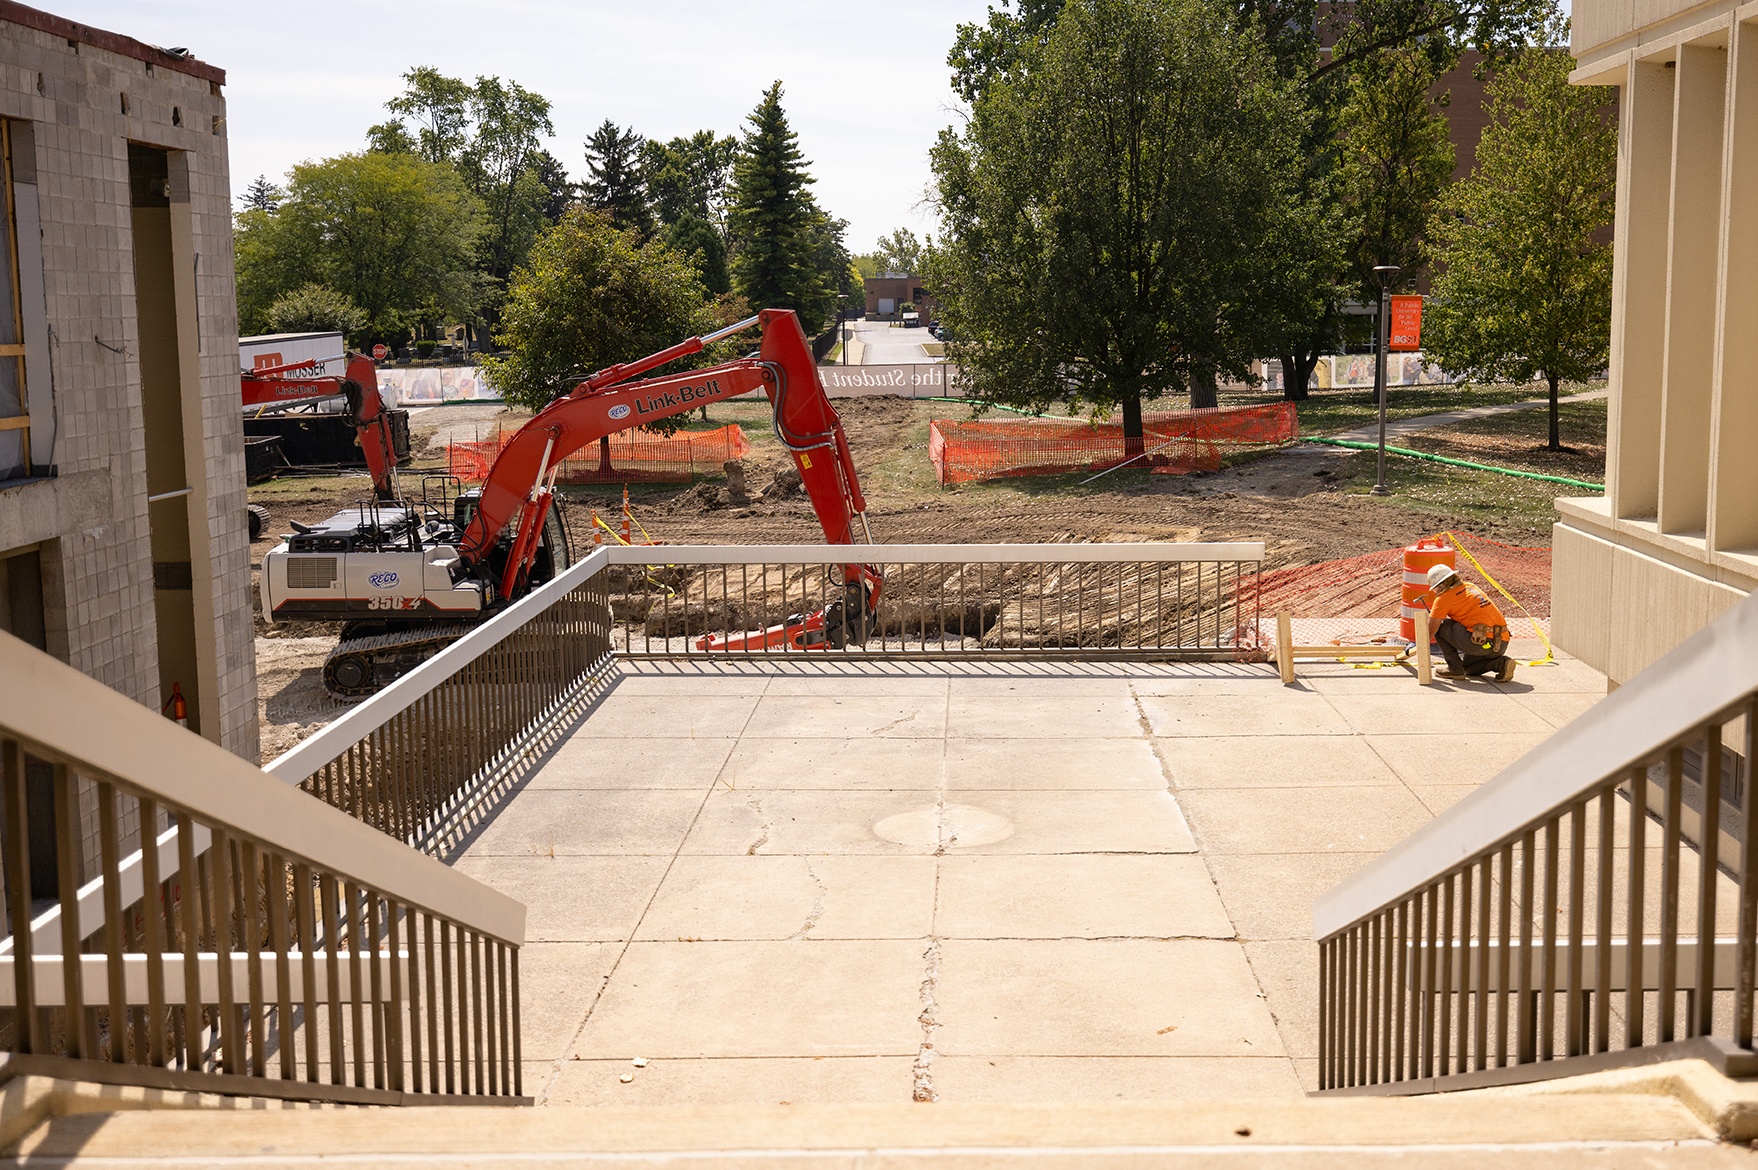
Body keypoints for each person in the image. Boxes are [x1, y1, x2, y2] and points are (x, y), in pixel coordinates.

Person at [1421, 562, 1515, 682]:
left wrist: (1420, 647)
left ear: (1440, 585)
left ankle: (1454, 669)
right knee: (1469, 669)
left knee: (1441, 626)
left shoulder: (1443, 599)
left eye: (1435, 588)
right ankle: (1501, 663)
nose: (1435, 591)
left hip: (1480, 642)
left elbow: (1431, 630)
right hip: (1500, 643)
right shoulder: (1470, 586)